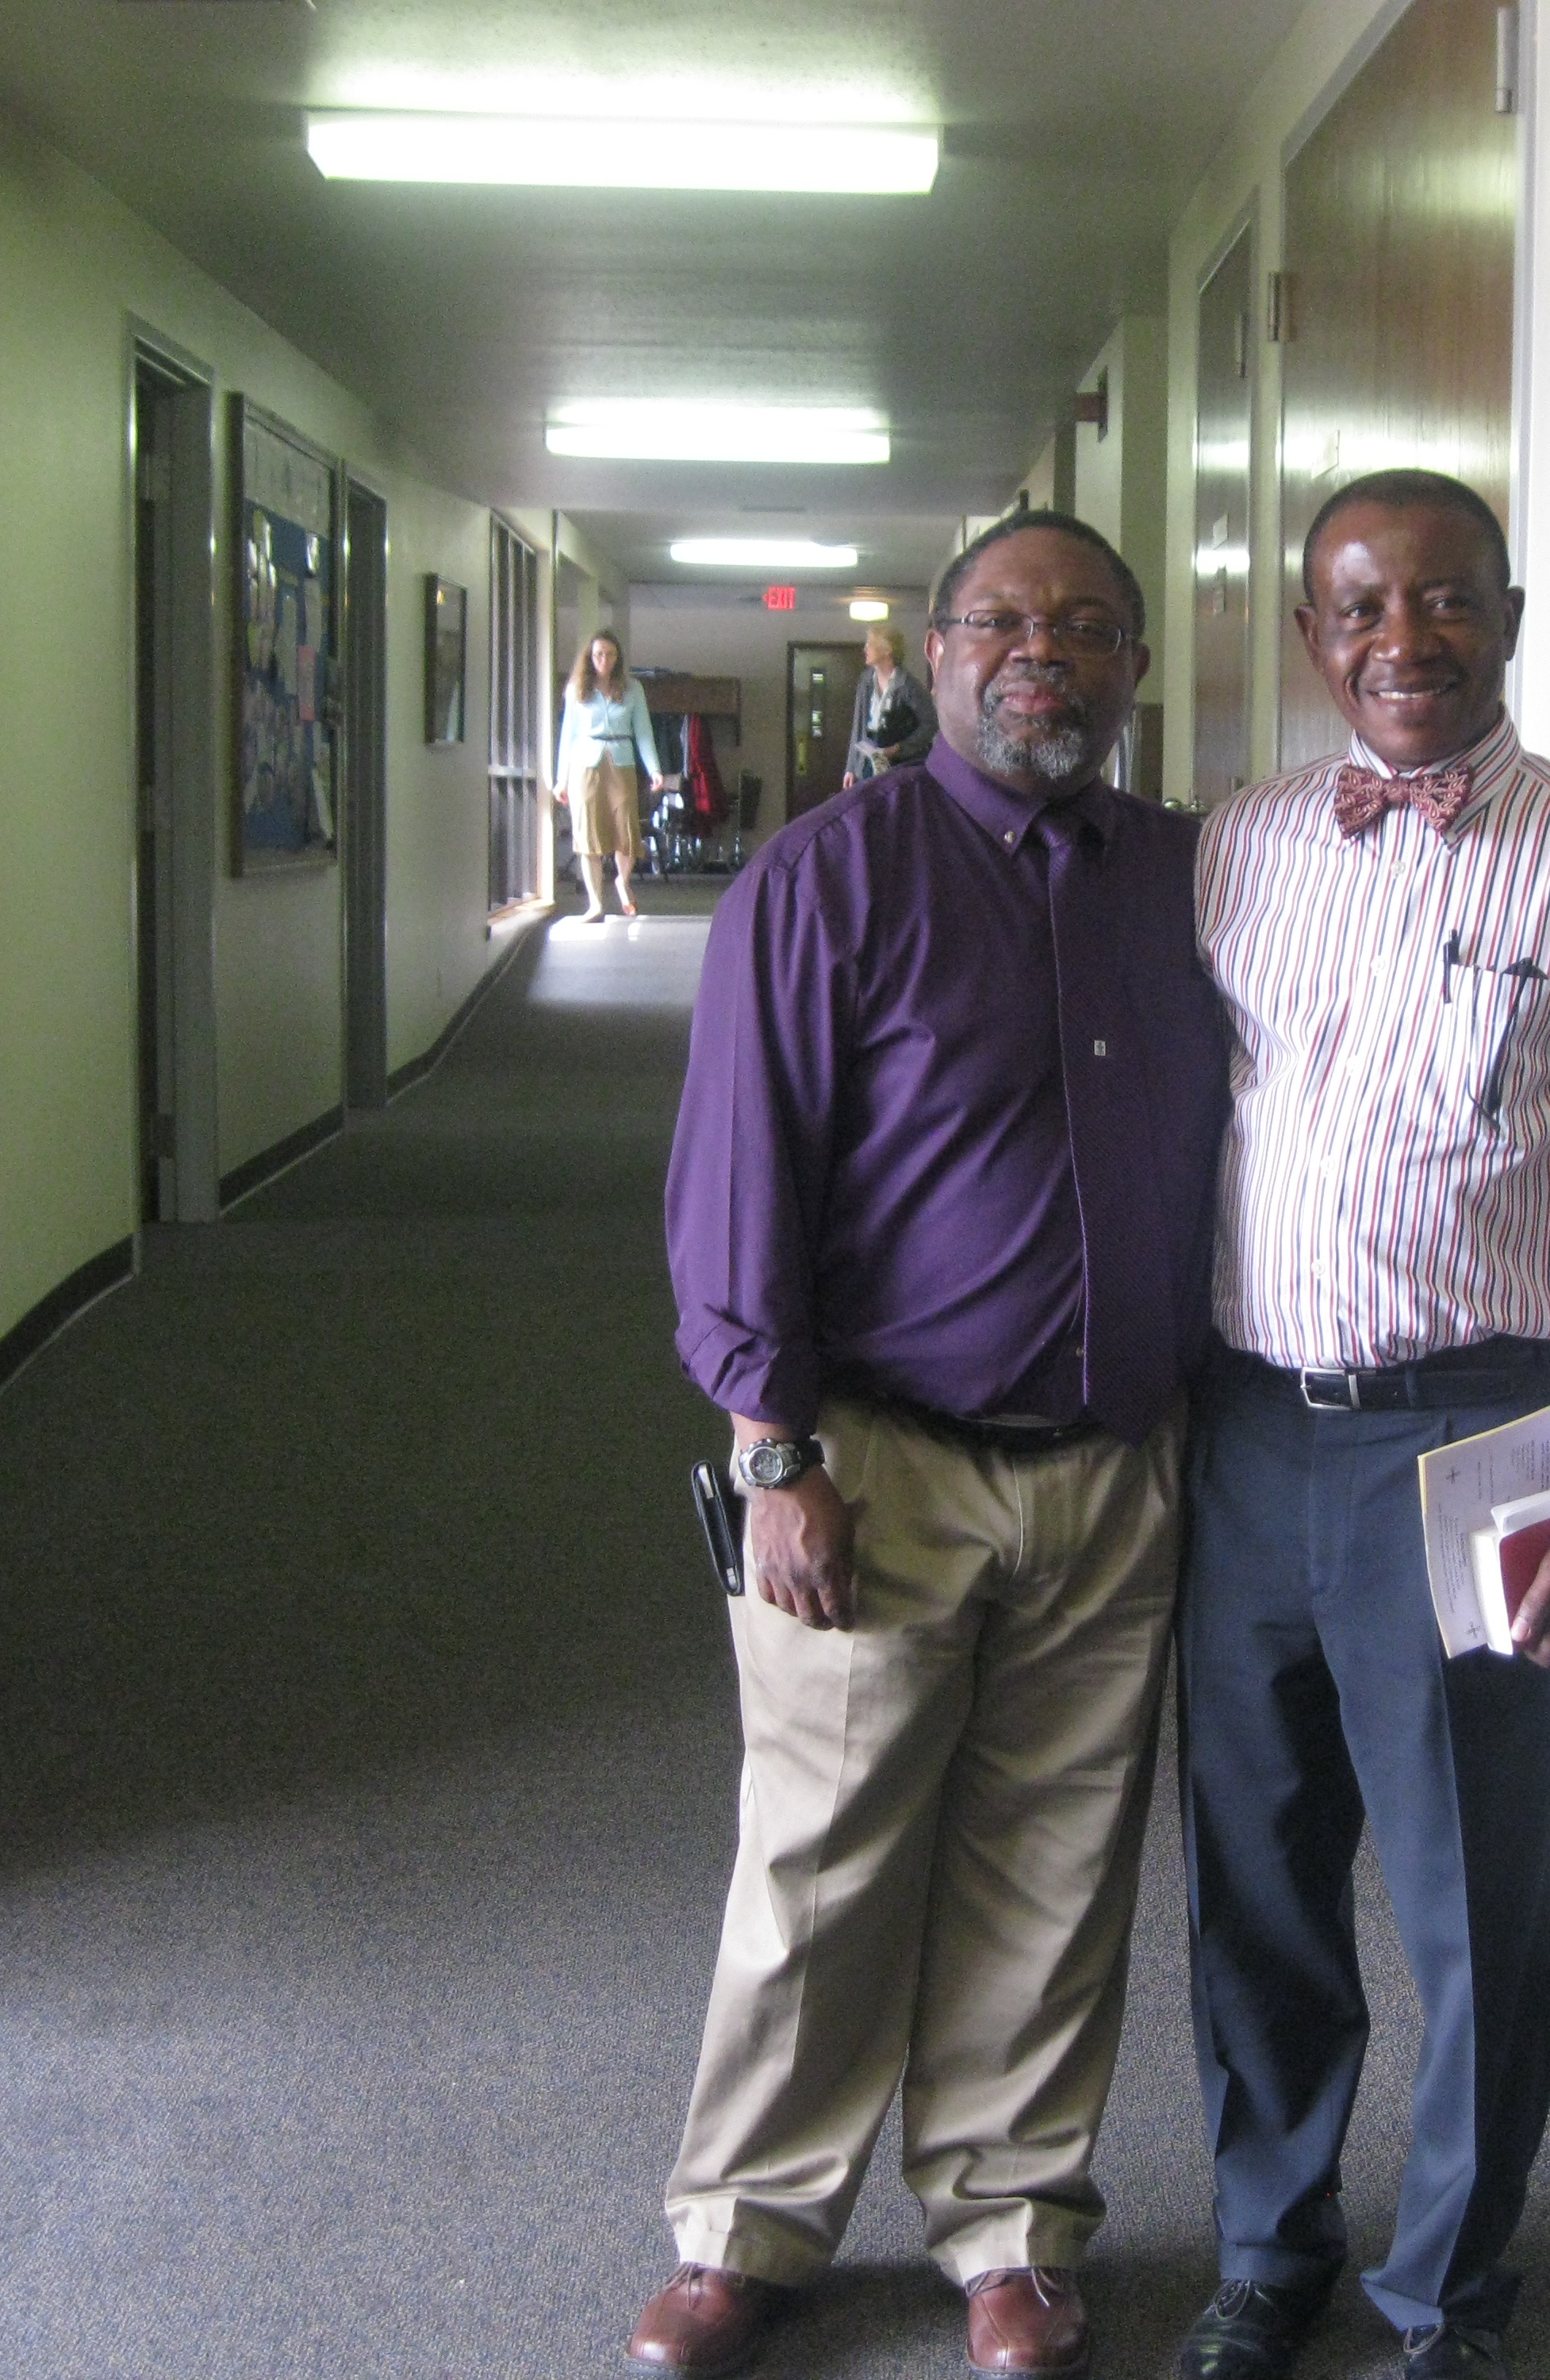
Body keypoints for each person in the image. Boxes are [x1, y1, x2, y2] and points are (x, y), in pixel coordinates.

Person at [640, 511, 1232, 2380]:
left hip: (1116, 1463)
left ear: (1135, 666)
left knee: (1056, 1865)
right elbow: (738, 1181)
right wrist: (771, 1449)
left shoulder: (1191, 878)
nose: (1040, 651)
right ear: (940, 653)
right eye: (1000, 621)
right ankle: (748, 2229)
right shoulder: (826, 877)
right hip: (875, 1459)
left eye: (1085, 625)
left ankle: (1011, 2222)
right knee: (821, 1863)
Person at [1172, 470, 1550, 2380]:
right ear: (1312, 636)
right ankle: (1269, 2247)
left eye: (1438, 600)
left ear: (1503, 618)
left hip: (1481, 1434)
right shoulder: (1238, 845)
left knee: (1470, 1896)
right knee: (1256, 1872)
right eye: (1358, 606)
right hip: (1251, 1432)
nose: (1399, 639)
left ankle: (1444, 2291)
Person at [556, 631, 676, 919]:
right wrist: (562, 779)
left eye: (610, 654)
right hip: (585, 764)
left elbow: (643, 732)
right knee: (588, 834)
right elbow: (567, 736)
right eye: (599, 654)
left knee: (626, 830)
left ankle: (623, 881)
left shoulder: (633, 689)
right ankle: (596, 903)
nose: (604, 660)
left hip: (622, 762)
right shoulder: (576, 689)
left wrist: (654, 768)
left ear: (618, 658)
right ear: (590, 657)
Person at [842, 623, 939, 787]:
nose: (865, 649)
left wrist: (899, 749)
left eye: (870, 644)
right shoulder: (866, 681)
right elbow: (858, 727)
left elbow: (930, 724)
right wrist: (851, 768)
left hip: (900, 765)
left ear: (887, 649)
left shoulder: (908, 685)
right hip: (868, 762)